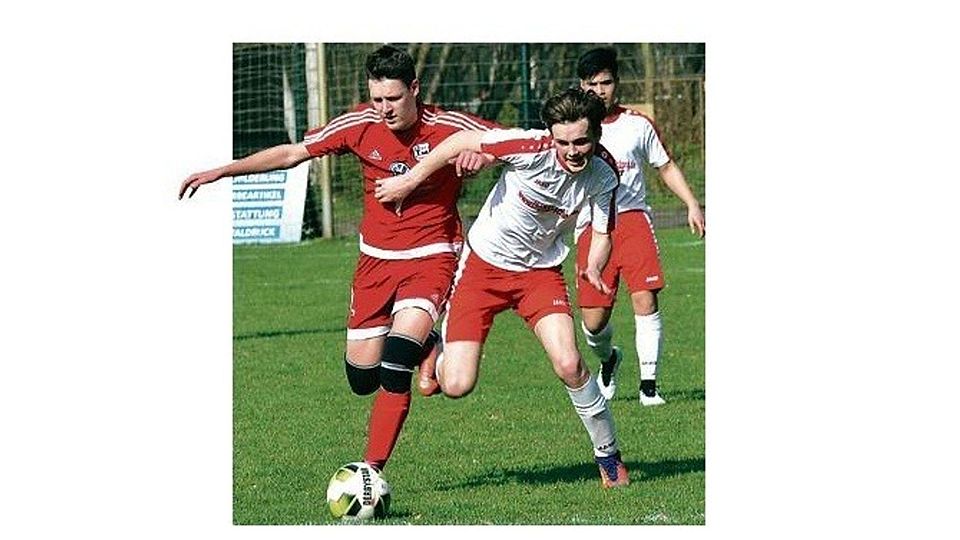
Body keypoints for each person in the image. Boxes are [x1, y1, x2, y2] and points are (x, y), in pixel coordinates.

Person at [179, 45, 497, 472]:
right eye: (377, 99)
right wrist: (224, 170)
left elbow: (512, 140)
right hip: (374, 262)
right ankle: (428, 343)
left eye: (393, 99)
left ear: (415, 89)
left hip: (432, 255)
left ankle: (370, 471)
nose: (384, 109)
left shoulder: (447, 125)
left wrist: (483, 153)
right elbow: (293, 153)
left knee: (395, 362)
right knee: (361, 378)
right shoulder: (359, 124)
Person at [375, 88, 630, 488]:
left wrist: (594, 265)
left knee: (570, 364)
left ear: (596, 135)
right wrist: (409, 181)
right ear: (550, 135)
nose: (572, 151)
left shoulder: (605, 172)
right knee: (457, 385)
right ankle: (434, 350)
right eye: (563, 142)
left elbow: (602, 230)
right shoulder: (528, 146)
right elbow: (460, 140)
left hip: (539, 275)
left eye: (581, 141)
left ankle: (609, 456)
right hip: (482, 269)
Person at [575, 47, 705, 406]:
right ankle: (609, 359)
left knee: (645, 298)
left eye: (606, 82)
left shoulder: (637, 124)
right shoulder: (573, 128)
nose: (599, 90)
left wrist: (691, 203)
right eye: (592, 83)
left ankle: (649, 386)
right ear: (580, 85)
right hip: (590, 225)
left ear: (616, 83)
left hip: (633, 219)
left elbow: (665, 165)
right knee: (593, 323)